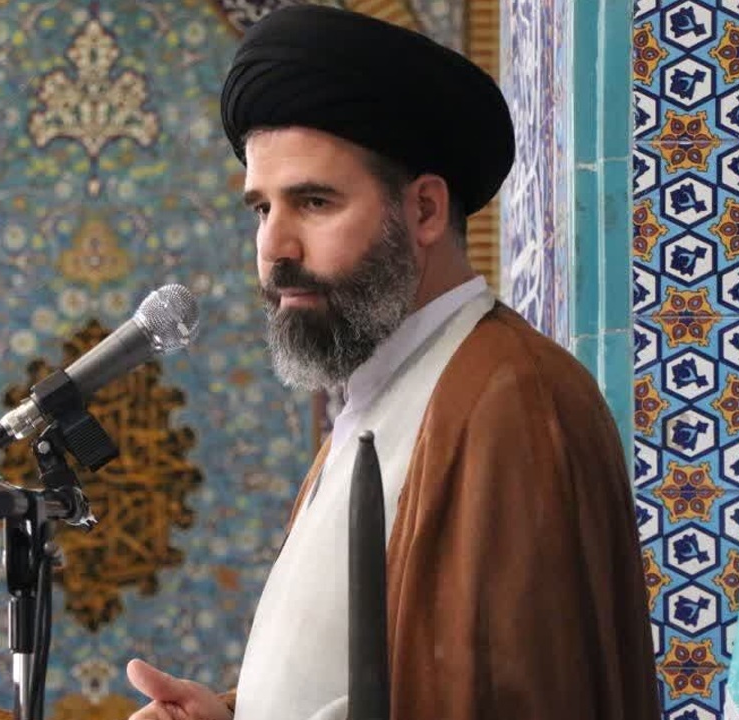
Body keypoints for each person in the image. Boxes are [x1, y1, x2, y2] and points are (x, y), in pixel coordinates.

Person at [123, 6, 659, 720]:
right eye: (261, 210)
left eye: (314, 202)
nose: (274, 248)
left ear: (425, 210)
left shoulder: (508, 400)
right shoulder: (383, 398)